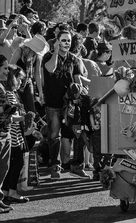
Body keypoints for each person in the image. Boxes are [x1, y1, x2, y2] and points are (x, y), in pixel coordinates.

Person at [42, 30, 87, 179]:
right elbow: (50, 69)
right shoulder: (48, 57)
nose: (67, 43)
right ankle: (55, 166)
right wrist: (55, 51)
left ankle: (77, 165)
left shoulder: (74, 59)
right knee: (54, 136)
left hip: (70, 103)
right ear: (57, 41)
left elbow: (77, 79)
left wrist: (82, 96)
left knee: (77, 133)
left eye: (69, 40)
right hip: (53, 102)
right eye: (64, 40)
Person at [2, 65, 29, 204]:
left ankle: (6, 191)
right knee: (16, 163)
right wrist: (26, 118)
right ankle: (11, 191)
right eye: (19, 79)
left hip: (15, 134)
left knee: (11, 164)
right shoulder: (8, 94)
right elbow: (11, 116)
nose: (21, 82)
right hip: (12, 135)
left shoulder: (11, 93)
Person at [0, 55, 16, 213]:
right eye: (4, 68)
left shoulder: (3, 86)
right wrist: (6, 108)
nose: (7, 71)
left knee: (3, 168)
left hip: (6, 132)